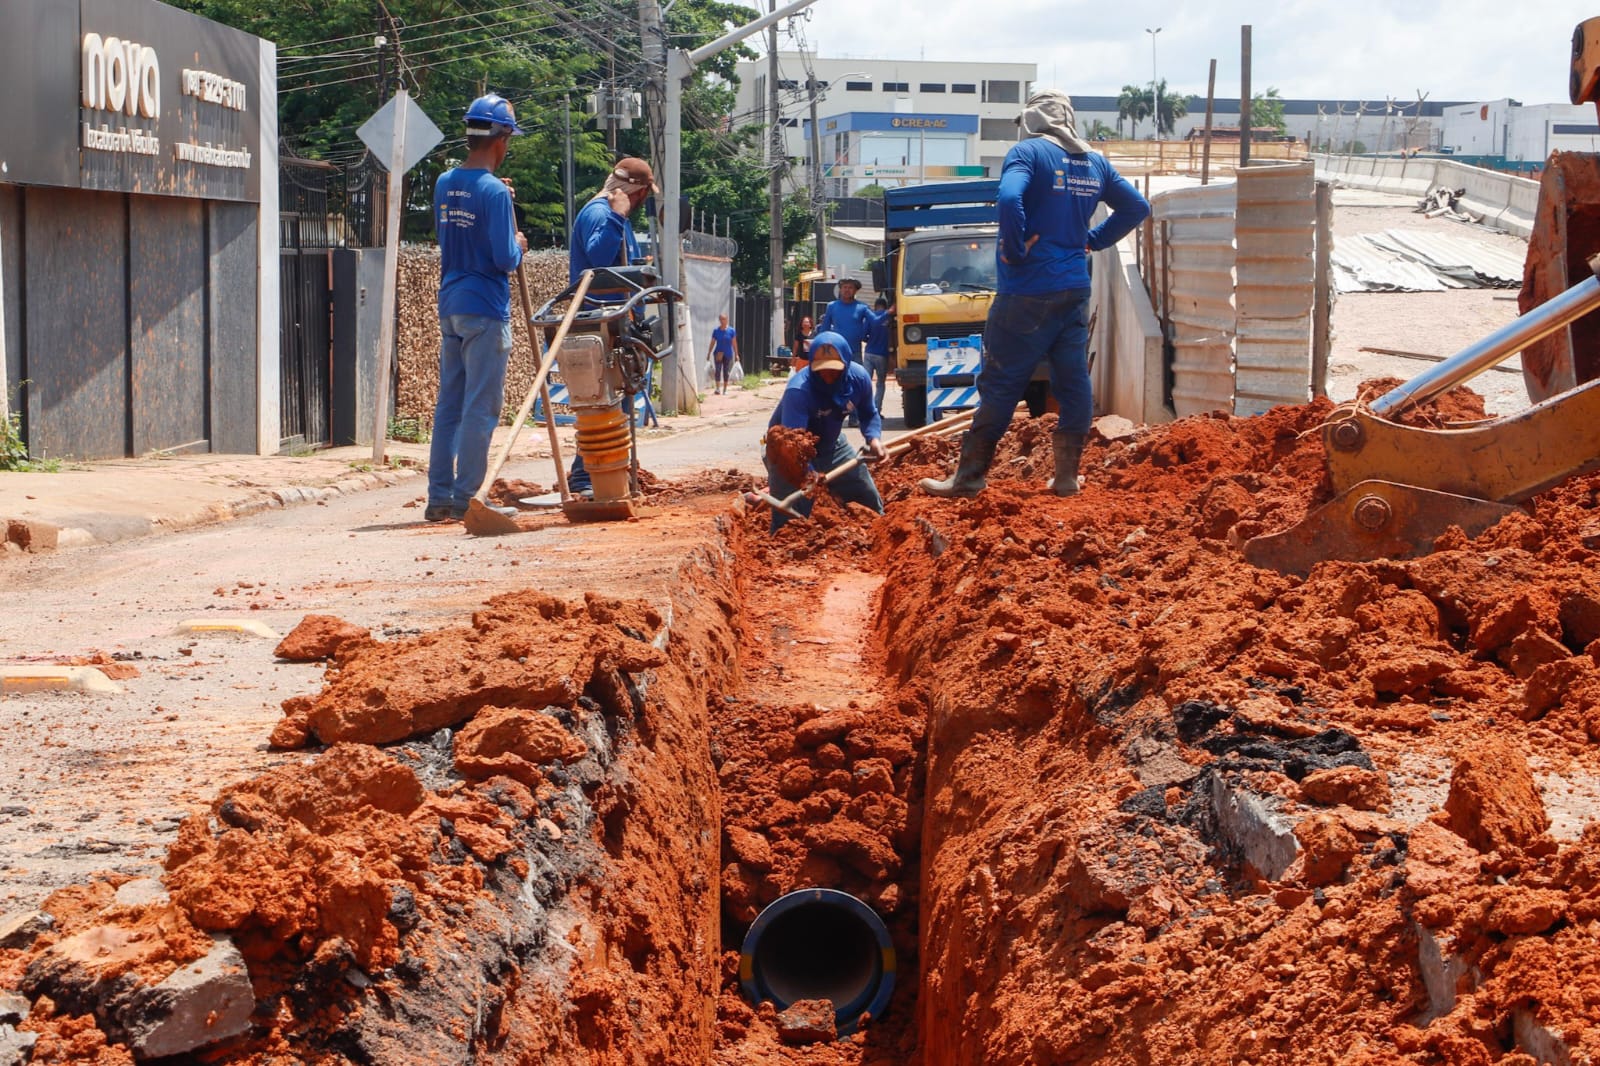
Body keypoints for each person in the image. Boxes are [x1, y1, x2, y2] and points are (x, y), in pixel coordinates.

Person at [921, 90, 1149, 499]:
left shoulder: (1027, 153)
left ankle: (969, 477)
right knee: (1073, 380)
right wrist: (1092, 241)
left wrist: (1013, 248)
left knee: (1001, 383)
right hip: (1074, 289)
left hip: (1026, 291)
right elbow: (1136, 208)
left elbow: (1009, 198)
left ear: (1030, 119)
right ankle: (1066, 478)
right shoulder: (1094, 162)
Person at [425, 93, 528, 522]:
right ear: (501, 139)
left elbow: (454, 232)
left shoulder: (444, 183)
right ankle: (467, 497)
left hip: (451, 303)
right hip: (486, 308)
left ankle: (439, 498)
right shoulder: (495, 193)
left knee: (450, 404)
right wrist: (519, 245)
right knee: (480, 409)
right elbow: (505, 258)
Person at [565, 156, 658, 496]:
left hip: (616, 322)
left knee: (617, 402)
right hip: (598, 324)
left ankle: (609, 471)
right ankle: (587, 476)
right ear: (639, 192)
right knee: (602, 403)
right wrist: (618, 217)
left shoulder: (616, 217)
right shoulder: (603, 214)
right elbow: (600, 260)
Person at [763, 330, 887, 533]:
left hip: (832, 444)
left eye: (834, 370)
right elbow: (794, 449)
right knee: (790, 521)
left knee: (865, 496)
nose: (827, 376)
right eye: (821, 369)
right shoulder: (799, 391)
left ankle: (879, 535)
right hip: (788, 454)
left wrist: (874, 440)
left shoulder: (858, 379)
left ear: (846, 363)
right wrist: (812, 476)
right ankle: (781, 550)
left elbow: (868, 413)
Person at [817, 277, 871, 363]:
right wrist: (821, 345)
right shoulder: (832, 306)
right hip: (837, 350)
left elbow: (873, 323)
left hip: (855, 351)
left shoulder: (863, 307)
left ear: (855, 291)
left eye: (850, 287)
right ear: (840, 289)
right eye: (845, 287)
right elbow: (825, 328)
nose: (847, 290)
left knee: (856, 375)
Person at [863, 296, 894, 413]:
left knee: (866, 383)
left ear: (875, 306)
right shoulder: (890, 318)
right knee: (880, 383)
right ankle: (877, 409)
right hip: (883, 355)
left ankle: (866, 409)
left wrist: (870, 341)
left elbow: (863, 335)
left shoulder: (870, 318)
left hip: (869, 353)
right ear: (885, 306)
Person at [708, 313, 738, 395]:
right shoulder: (716, 331)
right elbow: (712, 342)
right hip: (718, 353)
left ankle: (725, 389)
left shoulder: (731, 331)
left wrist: (736, 354)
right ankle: (717, 388)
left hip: (728, 354)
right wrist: (709, 352)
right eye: (721, 319)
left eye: (724, 319)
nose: (722, 321)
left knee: (726, 371)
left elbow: (734, 343)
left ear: (727, 319)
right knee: (717, 370)